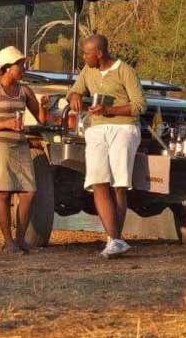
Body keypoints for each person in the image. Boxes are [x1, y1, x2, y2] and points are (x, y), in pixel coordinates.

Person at [67, 34, 146, 259]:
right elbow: (74, 91)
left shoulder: (125, 71)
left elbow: (140, 105)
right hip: (96, 128)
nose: (84, 57)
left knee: (118, 184)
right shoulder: (87, 70)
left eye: (87, 53)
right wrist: (74, 95)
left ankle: (114, 240)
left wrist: (109, 110)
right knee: (97, 180)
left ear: (99, 53)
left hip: (124, 128)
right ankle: (115, 240)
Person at [0, 46, 48, 255]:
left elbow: (41, 119)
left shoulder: (24, 90)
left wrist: (43, 106)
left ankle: (20, 239)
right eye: (20, 65)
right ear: (8, 67)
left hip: (20, 145)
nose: (24, 69)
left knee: (28, 192)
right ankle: (9, 242)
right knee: (3, 193)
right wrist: (6, 123)